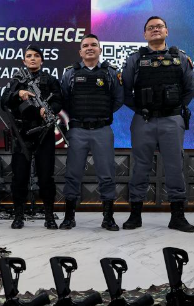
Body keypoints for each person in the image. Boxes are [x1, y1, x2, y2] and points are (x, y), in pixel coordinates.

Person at [121, 16, 194, 232]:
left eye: (159, 26)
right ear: (145, 34)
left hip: (172, 120)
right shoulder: (135, 59)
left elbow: (189, 89)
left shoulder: (180, 58)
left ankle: (177, 217)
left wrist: (173, 109)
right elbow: (125, 91)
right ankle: (135, 215)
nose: (155, 30)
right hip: (143, 120)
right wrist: (141, 109)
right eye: (150, 28)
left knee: (175, 168)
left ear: (167, 31)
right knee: (140, 167)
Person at [59, 34, 124, 230]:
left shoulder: (110, 72)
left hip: (102, 129)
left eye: (93, 45)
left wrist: (100, 114)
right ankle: (69, 217)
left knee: (107, 174)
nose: (89, 48)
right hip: (77, 130)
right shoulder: (70, 73)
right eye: (85, 45)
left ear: (99, 50)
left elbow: (118, 99)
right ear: (80, 52)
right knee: (72, 174)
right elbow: (64, 100)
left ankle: (108, 217)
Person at [0, 45, 62, 229]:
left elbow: (59, 101)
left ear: (41, 60)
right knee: (19, 177)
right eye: (29, 56)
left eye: (36, 56)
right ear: (24, 60)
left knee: (46, 177)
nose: (33, 58)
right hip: (22, 134)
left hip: (44, 133)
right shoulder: (17, 80)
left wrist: (48, 110)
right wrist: (18, 94)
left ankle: (49, 216)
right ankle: (18, 215)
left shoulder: (50, 80)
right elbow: (3, 101)